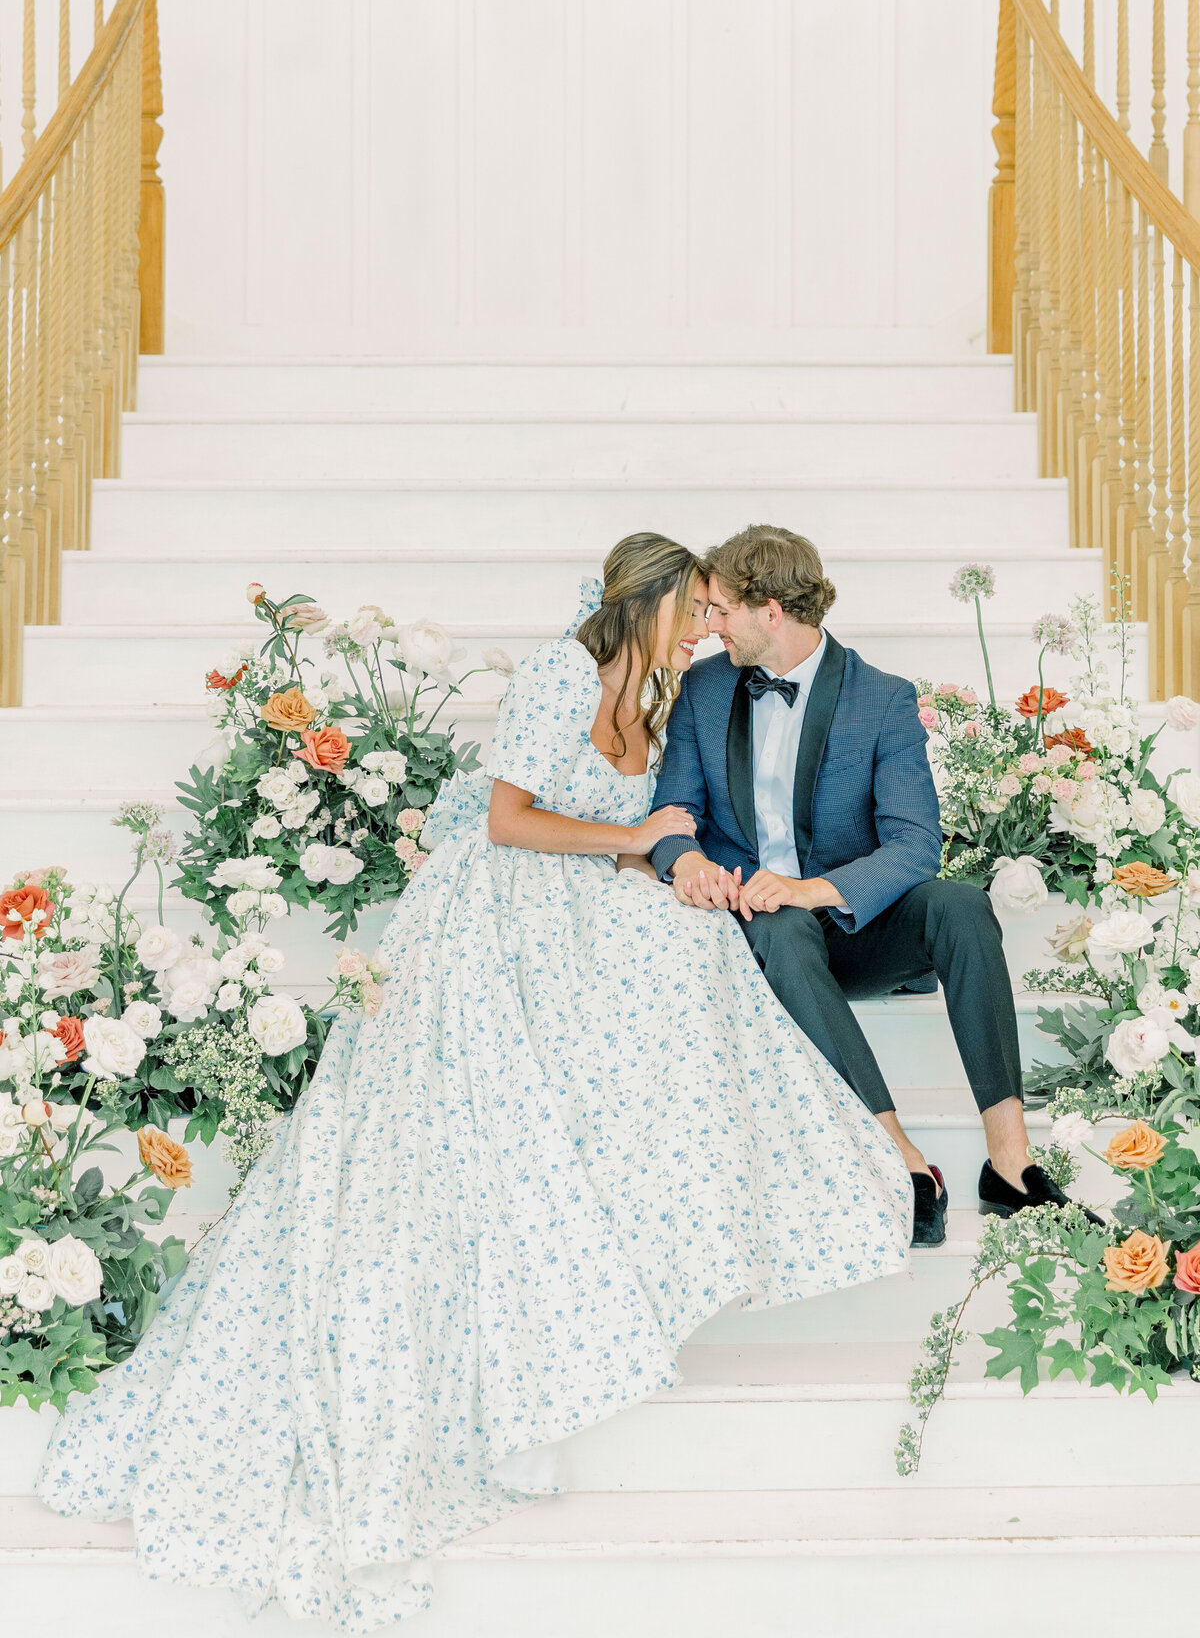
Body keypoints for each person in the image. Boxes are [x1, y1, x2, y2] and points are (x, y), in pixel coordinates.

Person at [37, 531, 912, 1632]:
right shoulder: (566, 669)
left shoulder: (671, 687)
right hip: (498, 896)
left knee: (681, 950)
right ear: (649, 602)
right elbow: (507, 820)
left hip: (583, 891)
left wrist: (666, 856)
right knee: (603, 992)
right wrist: (635, 836)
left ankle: (695, 1196)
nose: (707, 624)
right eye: (693, 605)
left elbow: (657, 829)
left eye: (714, 609)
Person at [648, 523, 1091, 1247]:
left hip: (852, 925)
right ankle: (901, 1159)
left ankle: (1011, 1161)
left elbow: (916, 846)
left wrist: (812, 890)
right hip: (764, 931)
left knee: (960, 905)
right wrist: (685, 860)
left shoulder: (881, 699)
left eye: (723, 608)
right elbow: (672, 811)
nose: (710, 624)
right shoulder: (703, 687)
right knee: (779, 925)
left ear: (771, 609)